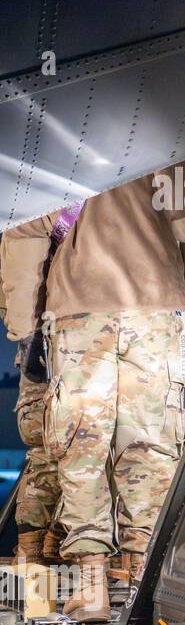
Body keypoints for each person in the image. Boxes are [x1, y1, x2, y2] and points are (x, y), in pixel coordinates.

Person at [43, 161, 185, 621]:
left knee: (81, 446)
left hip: (80, 311)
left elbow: (25, 232)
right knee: (149, 444)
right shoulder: (161, 140)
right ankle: (144, 579)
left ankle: (93, 587)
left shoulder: (55, 142)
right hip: (152, 309)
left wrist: (22, 321)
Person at [0, 209, 62, 564]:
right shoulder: (32, 215)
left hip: (43, 339)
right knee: (52, 447)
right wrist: (28, 339)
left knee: (56, 449)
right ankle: (36, 548)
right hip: (46, 342)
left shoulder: (30, 211)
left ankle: (42, 546)